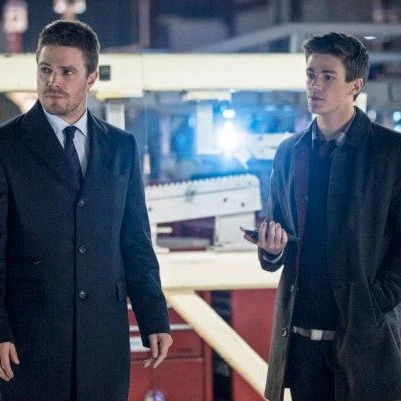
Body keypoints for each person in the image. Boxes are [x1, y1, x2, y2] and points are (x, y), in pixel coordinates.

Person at [0, 19, 172, 401]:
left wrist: (154, 317)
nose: (53, 81)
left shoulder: (121, 147)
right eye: (45, 70)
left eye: (67, 72)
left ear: (91, 77)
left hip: (103, 341)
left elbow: (135, 241)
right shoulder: (6, 146)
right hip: (31, 342)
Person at [244, 32, 401, 401]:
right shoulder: (289, 152)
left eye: (328, 76)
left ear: (355, 86)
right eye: (311, 75)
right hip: (301, 343)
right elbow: (279, 231)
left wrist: (374, 302)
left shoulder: (389, 152)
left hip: (363, 340)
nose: (315, 85)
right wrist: (271, 249)